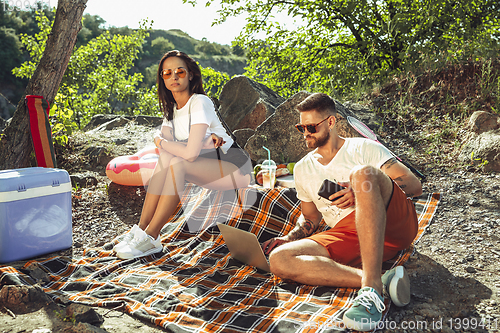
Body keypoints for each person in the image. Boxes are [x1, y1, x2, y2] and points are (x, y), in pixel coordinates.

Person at [261, 93, 422, 331]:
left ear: (331, 122)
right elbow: (311, 218)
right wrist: (288, 238)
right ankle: (379, 280)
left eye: (311, 126)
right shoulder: (303, 168)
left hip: (393, 222)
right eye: (300, 127)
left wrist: (362, 191)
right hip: (349, 234)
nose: (305, 133)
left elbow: (414, 185)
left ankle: (370, 291)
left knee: (362, 174)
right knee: (280, 259)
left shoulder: (364, 147)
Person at [113, 50, 252, 259]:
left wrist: (162, 141)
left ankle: (152, 236)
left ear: (190, 75)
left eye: (179, 71)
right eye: (167, 73)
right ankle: (141, 229)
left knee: (177, 161)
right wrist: (170, 144)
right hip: (206, 165)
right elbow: (167, 151)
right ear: (162, 78)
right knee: (168, 158)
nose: (174, 77)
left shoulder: (200, 102)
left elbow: (187, 152)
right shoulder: (172, 109)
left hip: (233, 166)